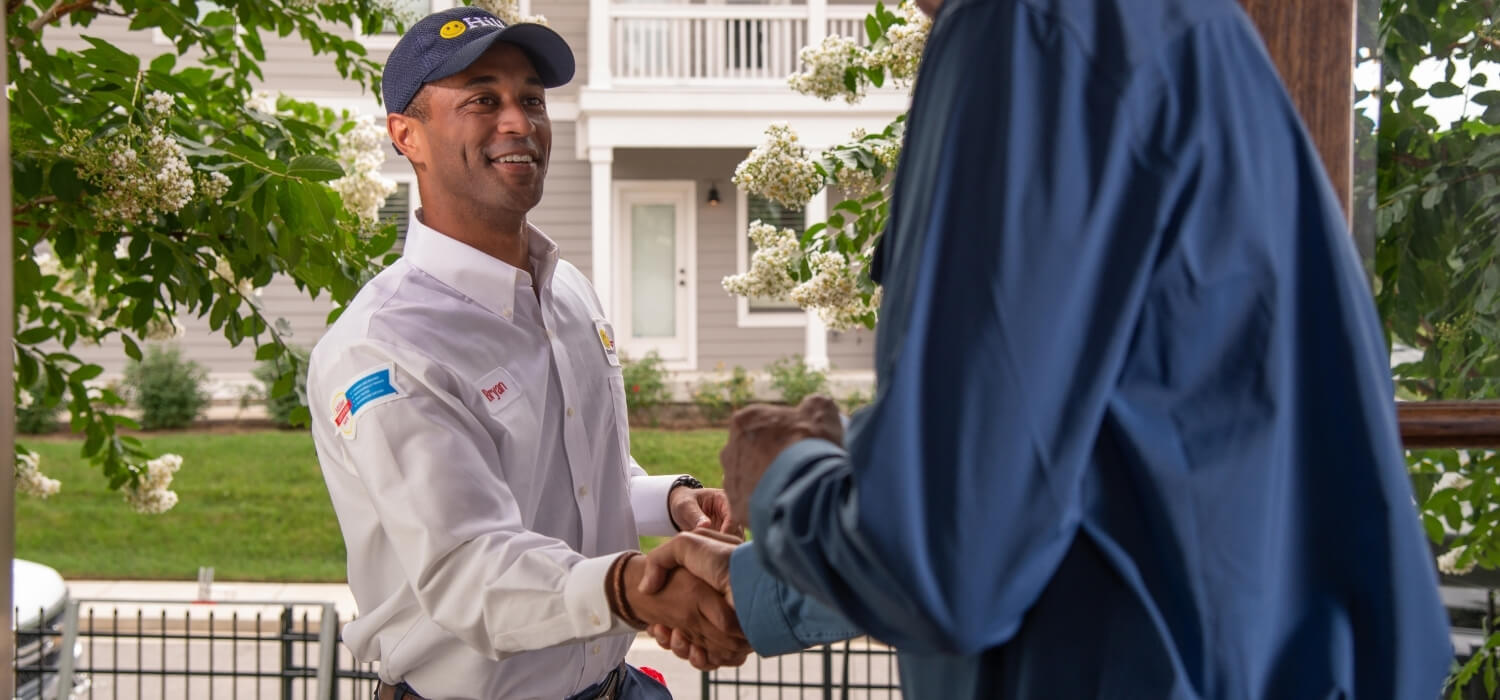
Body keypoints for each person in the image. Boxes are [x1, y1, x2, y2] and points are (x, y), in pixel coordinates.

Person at [641, 0, 1455, 697]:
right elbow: (1078, 484)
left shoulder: (1030, 32)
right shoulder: (1177, 34)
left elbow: (947, 564)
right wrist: (756, 590)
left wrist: (784, 475)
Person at [306, 8, 748, 699]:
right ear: (406, 136)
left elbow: (576, 482)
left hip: (615, 686)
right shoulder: (383, 348)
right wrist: (636, 589)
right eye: (483, 98)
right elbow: (469, 565)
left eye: (532, 100)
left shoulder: (568, 294)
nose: (519, 122)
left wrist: (674, 504)